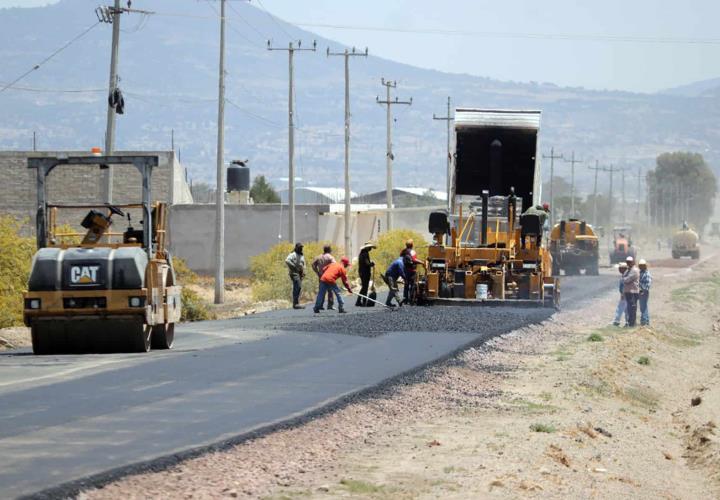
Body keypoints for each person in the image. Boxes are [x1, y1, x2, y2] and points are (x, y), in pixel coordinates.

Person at [312, 245, 335, 310]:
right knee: (330, 291)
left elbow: (313, 265)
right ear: (329, 250)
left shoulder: (319, 257)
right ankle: (330, 305)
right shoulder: (330, 257)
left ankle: (320, 305)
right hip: (329, 276)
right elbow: (334, 265)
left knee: (321, 291)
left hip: (321, 276)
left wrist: (317, 272)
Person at [285, 242, 306, 309]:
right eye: (299, 247)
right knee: (298, 286)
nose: (301, 248)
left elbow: (303, 264)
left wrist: (303, 271)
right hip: (294, 273)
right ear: (296, 248)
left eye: (301, 247)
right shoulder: (293, 254)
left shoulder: (301, 255)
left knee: (298, 287)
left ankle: (296, 303)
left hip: (300, 273)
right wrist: (294, 266)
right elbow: (287, 261)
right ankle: (295, 303)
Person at [356, 242, 376, 307]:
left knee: (364, 287)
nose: (371, 248)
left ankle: (358, 301)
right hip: (365, 273)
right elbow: (367, 263)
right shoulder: (365, 253)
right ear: (367, 247)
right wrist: (371, 264)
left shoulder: (362, 253)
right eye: (370, 247)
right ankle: (364, 302)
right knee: (365, 287)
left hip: (362, 272)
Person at [622, 256, 640, 327]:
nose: (628, 263)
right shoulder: (628, 270)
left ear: (633, 262)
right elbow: (624, 278)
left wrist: (623, 279)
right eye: (627, 262)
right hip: (628, 292)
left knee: (632, 308)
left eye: (629, 262)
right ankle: (629, 322)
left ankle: (632, 323)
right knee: (629, 308)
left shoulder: (635, 270)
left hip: (633, 292)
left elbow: (627, 280)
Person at [402, 239, 421, 304]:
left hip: (405, 270)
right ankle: (411, 300)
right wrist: (421, 262)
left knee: (406, 285)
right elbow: (414, 260)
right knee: (412, 285)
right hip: (412, 270)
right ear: (412, 245)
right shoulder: (412, 252)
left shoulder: (403, 251)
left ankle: (405, 299)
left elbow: (401, 258)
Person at [613, 262, 628, 326]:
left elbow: (626, 285)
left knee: (620, 308)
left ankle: (617, 321)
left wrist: (623, 293)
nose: (619, 270)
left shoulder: (625, 275)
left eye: (620, 268)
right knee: (626, 309)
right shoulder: (625, 274)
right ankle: (627, 322)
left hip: (625, 294)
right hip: (626, 294)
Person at [638, 259, 652, 326]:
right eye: (640, 265)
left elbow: (648, 284)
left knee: (643, 306)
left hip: (644, 291)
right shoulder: (641, 272)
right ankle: (644, 320)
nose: (641, 267)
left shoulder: (647, 273)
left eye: (642, 265)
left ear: (645, 266)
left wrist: (643, 290)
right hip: (641, 291)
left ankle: (645, 321)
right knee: (642, 306)